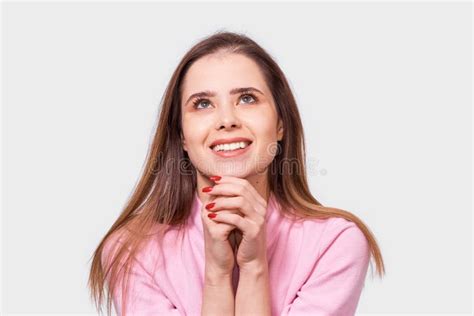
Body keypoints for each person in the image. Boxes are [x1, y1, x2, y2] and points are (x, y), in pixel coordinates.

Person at [88, 30, 385, 316]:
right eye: (203, 104)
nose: (227, 120)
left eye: (247, 98)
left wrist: (254, 267)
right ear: (181, 136)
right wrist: (216, 274)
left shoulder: (336, 244)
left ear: (280, 124)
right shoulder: (131, 251)